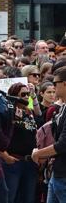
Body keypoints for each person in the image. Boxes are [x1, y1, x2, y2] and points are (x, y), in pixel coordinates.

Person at [31, 66, 66, 203]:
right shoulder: (62, 107)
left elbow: (63, 144)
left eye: (55, 84)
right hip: (58, 173)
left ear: (64, 83)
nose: (54, 88)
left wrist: (38, 154)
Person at [0, 83, 39, 203]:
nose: (27, 97)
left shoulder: (30, 112)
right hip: (13, 162)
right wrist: (4, 155)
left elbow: (40, 114)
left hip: (30, 162)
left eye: (28, 94)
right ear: (14, 96)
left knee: (28, 198)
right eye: (23, 94)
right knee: (10, 198)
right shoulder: (6, 113)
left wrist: (34, 95)